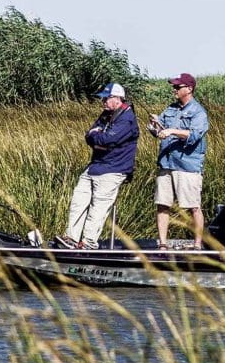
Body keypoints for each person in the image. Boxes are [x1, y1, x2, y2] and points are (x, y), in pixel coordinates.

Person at [57, 82, 139, 249]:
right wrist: (98, 138)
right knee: (78, 201)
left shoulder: (127, 119)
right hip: (95, 166)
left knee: (98, 208)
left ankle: (88, 243)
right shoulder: (106, 114)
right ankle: (71, 238)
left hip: (113, 169)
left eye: (105, 98)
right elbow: (89, 136)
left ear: (117, 98)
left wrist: (99, 138)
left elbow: (107, 140)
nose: (102, 102)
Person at [148, 72, 209, 249]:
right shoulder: (170, 109)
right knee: (162, 204)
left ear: (189, 89)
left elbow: (195, 135)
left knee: (193, 206)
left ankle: (197, 244)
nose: (174, 89)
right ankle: (163, 244)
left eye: (177, 87)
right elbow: (160, 132)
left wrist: (172, 131)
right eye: (174, 86)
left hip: (188, 165)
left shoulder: (198, 112)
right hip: (166, 162)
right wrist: (154, 125)